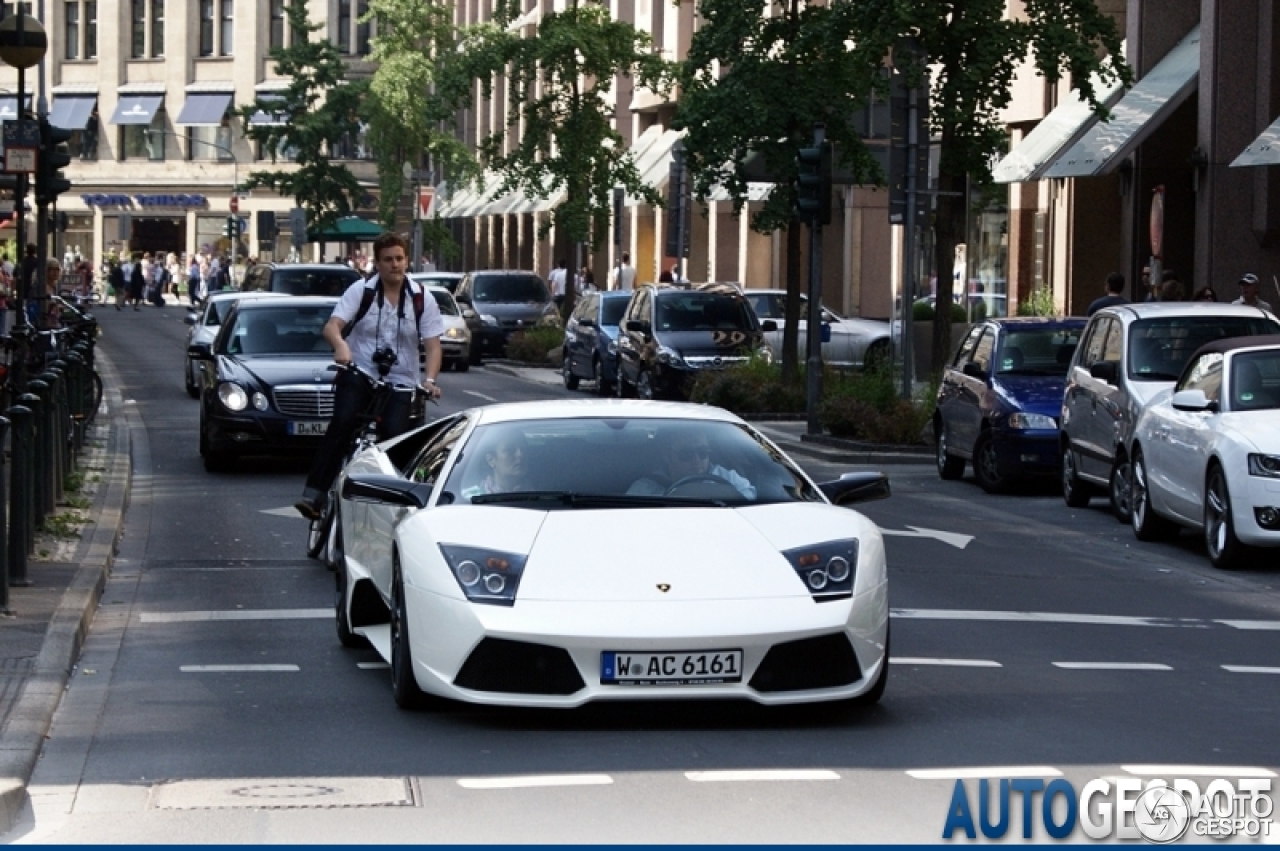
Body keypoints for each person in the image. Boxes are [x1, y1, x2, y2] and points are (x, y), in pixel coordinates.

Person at [295, 232, 446, 520]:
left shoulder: (421, 298)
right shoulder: (361, 291)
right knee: (342, 422)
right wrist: (341, 346)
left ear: (407, 260)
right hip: (360, 370)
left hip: (401, 380)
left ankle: (395, 509)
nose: (394, 265)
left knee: (396, 440)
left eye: (399, 259)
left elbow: (433, 345)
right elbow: (332, 327)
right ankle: (313, 495)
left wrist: (430, 380)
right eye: (387, 260)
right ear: (376, 263)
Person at [628, 426, 756, 499]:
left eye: (703, 452)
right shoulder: (645, 488)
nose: (697, 460)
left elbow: (749, 496)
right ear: (667, 456)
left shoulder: (726, 477)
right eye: (686, 454)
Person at [461, 431, 530, 499]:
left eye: (523, 448)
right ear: (491, 460)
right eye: (509, 450)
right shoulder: (469, 498)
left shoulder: (538, 494)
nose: (520, 454)